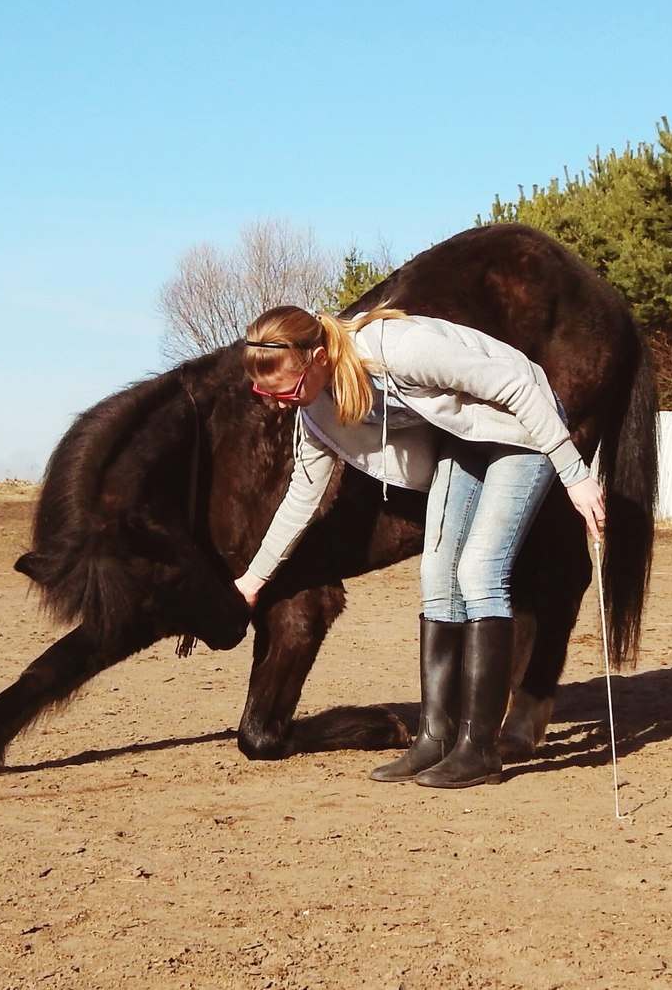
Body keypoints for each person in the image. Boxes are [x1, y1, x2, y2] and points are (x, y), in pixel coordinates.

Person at [233, 305, 605, 789]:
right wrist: (253, 580)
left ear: (319, 357)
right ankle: (436, 737)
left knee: (478, 571)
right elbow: (302, 497)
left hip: (520, 427)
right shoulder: (317, 409)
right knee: (436, 575)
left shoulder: (397, 347)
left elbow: (515, 383)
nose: (280, 403)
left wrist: (574, 474)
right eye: (266, 392)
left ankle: (480, 750)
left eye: (286, 389)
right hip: (464, 442)